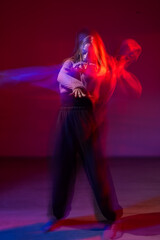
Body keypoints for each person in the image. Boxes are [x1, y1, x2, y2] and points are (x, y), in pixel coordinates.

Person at [42, 29, 123, 236]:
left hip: (87, 119)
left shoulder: (101, 68)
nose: (90, 45)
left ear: (99, 47)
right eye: (87, 42)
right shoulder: (69, 62)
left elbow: (97, 86)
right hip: (66, 118)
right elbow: (62, 76)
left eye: (94, 42)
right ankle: (58, 216)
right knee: (62, 167)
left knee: (97, 171)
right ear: (80, 45)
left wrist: (82, 83)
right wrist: (76, 83)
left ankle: (111, 218)